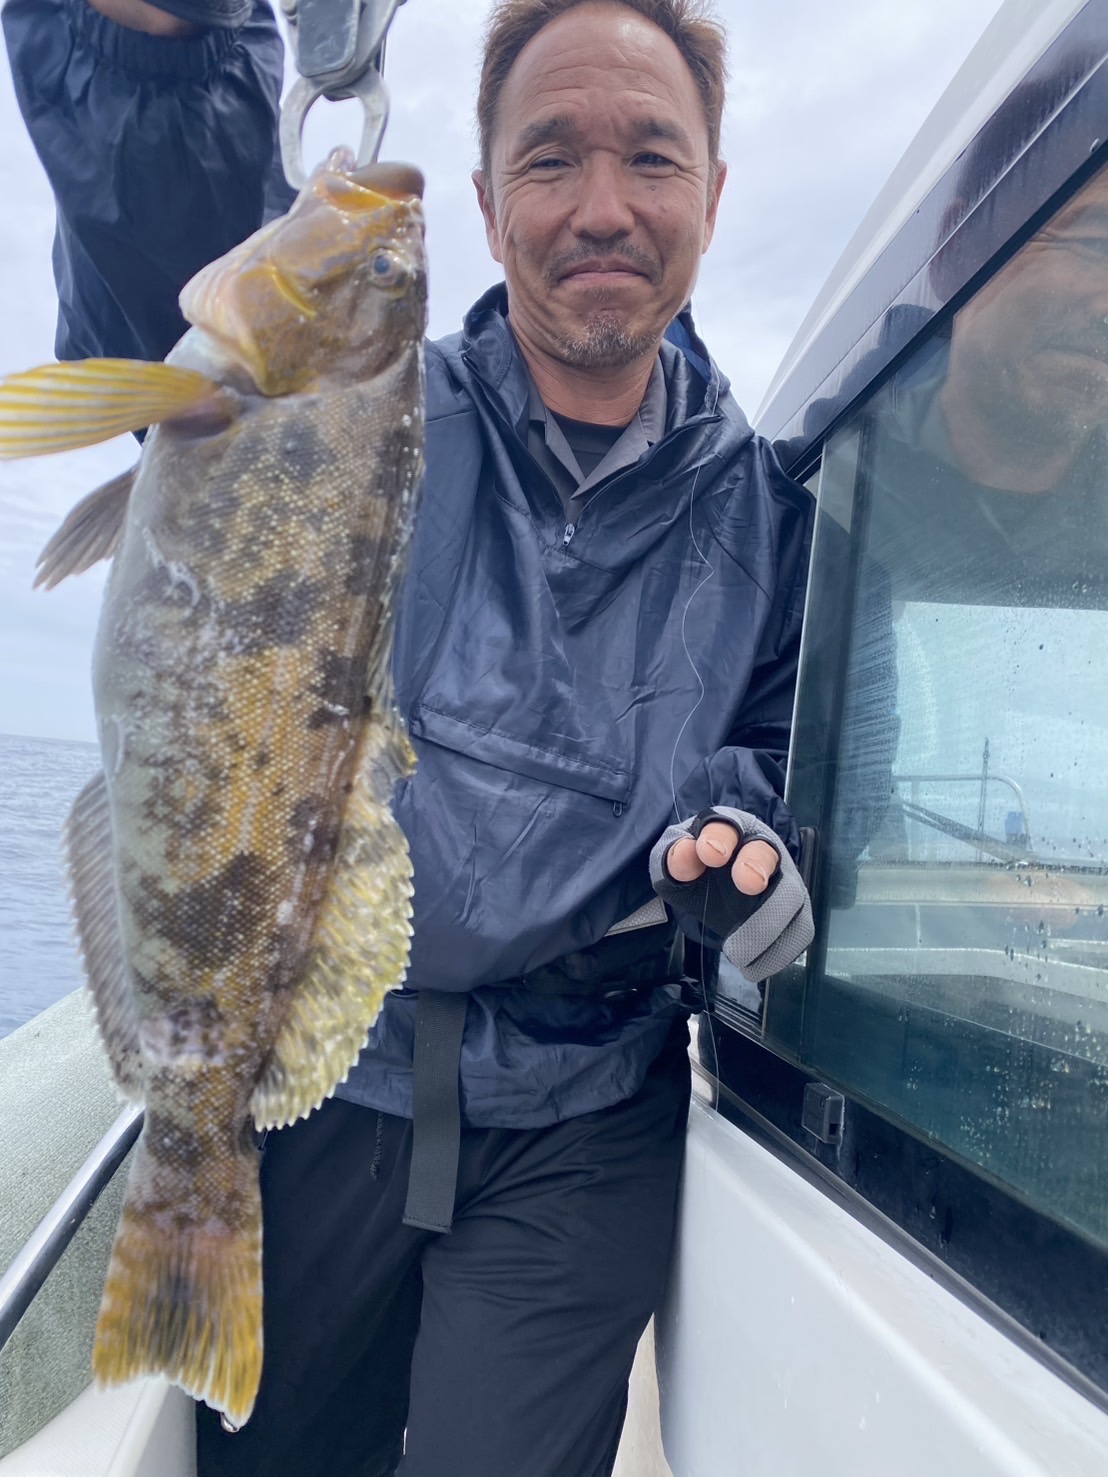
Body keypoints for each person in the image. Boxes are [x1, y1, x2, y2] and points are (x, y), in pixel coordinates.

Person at [3, 1, 815, 1472]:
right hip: (334, 1073)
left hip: (586, 1115)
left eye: (652, 156)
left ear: (714, 192)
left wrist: (744, 842)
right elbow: (167, 201)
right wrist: (164, 48)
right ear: (491, 204)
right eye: (550, 158)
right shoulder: (357, 402)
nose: (604, 205)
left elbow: (778, 742)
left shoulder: (776, 513)